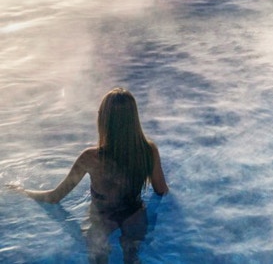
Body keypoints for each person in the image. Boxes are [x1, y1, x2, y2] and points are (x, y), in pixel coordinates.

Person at [9, 87, 168, 264]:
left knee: (98, 256)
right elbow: (161, 191)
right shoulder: (148, 151)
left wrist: (23, 191)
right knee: (132, 256)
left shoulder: (90, 158)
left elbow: (54, 197)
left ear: (104, 120)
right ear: (134, 120)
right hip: (134, 216)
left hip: (102, 218)